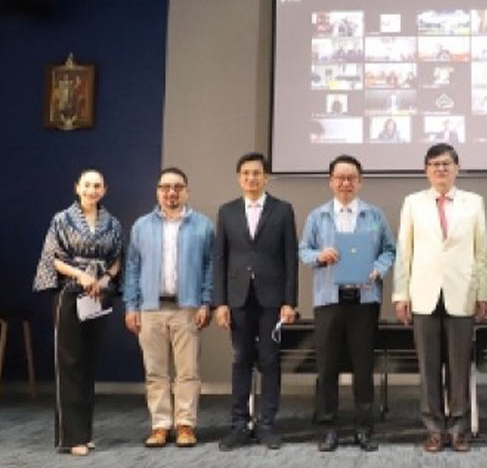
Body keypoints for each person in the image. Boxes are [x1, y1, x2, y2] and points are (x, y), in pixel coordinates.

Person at [392, 143, 487, 453]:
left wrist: (483, 292)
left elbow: (482, 253)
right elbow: (403, 253)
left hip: (462, 294)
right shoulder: (413, 203)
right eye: (434, 164)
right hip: (423, 295)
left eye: (446, 164)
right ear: (426, 170)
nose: (440, 169)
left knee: (460, 368)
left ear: (457, 168)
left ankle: (459, 429)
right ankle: (434, 429)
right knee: (428, 367)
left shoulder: (474, 203)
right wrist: (400, 294)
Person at [299, 155, 396, 452]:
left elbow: (390, 250)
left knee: (363, 367)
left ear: (360, 181)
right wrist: (319, 256)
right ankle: (328, 428)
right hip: (329, 300)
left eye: (351, 178)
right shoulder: (317, 216)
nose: (345, 183)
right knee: (327, 368)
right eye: (339, 177)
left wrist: (378, 269)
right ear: (330, 181)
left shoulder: (375, 215)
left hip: (364, 301)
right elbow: (304, 250)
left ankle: (364, 428)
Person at [123, 167, 215, 448]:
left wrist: (206, 302)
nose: (171, 192)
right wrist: (131, 306)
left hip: (188, 308)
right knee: (155, 372)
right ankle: (160, 426)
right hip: (150, 308)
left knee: (188, 372)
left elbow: (211, 266)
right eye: (165, 187)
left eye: (177, 187)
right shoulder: (142, 226)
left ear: (186, 190)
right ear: (158, 191)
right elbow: (132, 268)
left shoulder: (203, 225)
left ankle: (185, 425)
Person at [33, 168, 123, 456]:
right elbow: (53, 258)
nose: (92, 190)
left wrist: (105, 279)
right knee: (69, 364)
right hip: (69, 294)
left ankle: (85, 432)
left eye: (97, 186)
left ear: (105, 190)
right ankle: (69, 438)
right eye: (87, 185)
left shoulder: (113, 223)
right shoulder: (62, 219)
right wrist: (81, 276)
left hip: (98, 295)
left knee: (88, 364)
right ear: (77, 187)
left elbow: (117, 258)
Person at [214, 152, 299, 451]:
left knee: (270, 360)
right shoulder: (227, 212)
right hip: (238, 298)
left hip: (272, 299)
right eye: (246, 173)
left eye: (257, 173)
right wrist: (220, 303)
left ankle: (266, 424)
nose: (251, 178)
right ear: (239, 178)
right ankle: (239, 424)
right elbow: (220, 259)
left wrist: (290, 301)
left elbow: (291, 258)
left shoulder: (283, 210)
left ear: (266, 177)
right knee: (240, 360)